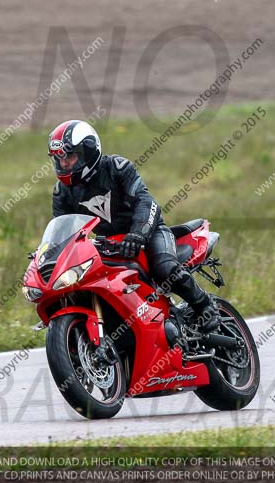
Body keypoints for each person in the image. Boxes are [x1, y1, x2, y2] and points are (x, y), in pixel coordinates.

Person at [48, 119, 220, 335]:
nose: (64, 165)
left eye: (69, 157)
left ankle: (206, 307)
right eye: (59, 159)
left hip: (149, 232)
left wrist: (138, 234)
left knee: (164, 268)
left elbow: (146, 202)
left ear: (88, 151)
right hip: (109, 244)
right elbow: (63, 231)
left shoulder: (117, 168)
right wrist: (50, 254)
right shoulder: (61, 192)